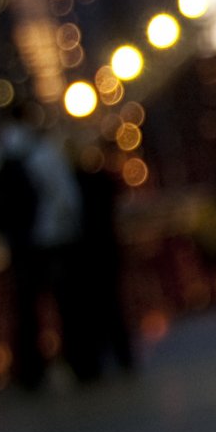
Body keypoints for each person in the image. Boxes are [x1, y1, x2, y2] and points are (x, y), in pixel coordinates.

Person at [0, 103, 81, 389]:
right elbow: (66, 198)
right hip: (52, 241)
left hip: (17, 246)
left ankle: (30, 372)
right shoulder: (45, 151)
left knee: (24, 310)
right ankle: (79, 362)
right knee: (66, 305)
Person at [65, 143, 135, 380]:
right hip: (107, 251)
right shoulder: (104, 183)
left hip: (85, 256)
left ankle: (96, 359)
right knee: (112, 303)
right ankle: (122, 354)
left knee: (91, 307)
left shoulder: (74, 186)